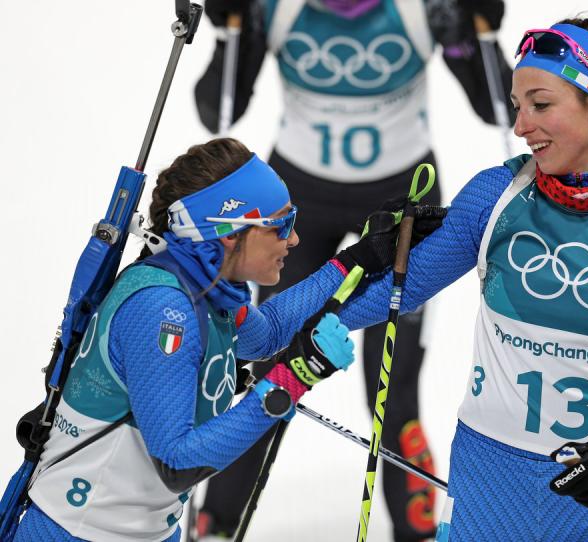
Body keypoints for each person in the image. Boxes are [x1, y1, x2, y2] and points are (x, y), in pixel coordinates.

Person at [325, 17, 588, 541]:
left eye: (540, 105)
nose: (521, 126)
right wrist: (271, 325)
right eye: (518, 107)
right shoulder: (495, 196)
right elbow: (381, 299)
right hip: (485, 491)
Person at [12, 138, 442, 542]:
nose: (294, 239)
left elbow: (269, 333)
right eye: (281, 225)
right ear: (228, 232)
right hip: (79, 532)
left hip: (139, 530)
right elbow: (177, 462)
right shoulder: (165, 310)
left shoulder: (199, 283)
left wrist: (361, 258)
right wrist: (296, 375)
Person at [193, 1, 514, 540]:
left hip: (401, 197)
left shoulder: (423, 6)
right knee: (266, 364)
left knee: (394, 384)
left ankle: (416, 532)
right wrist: (228, 31)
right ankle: (217, 525)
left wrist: (474, 25)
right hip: (298, 202)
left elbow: (500, 107)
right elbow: (216, 112)